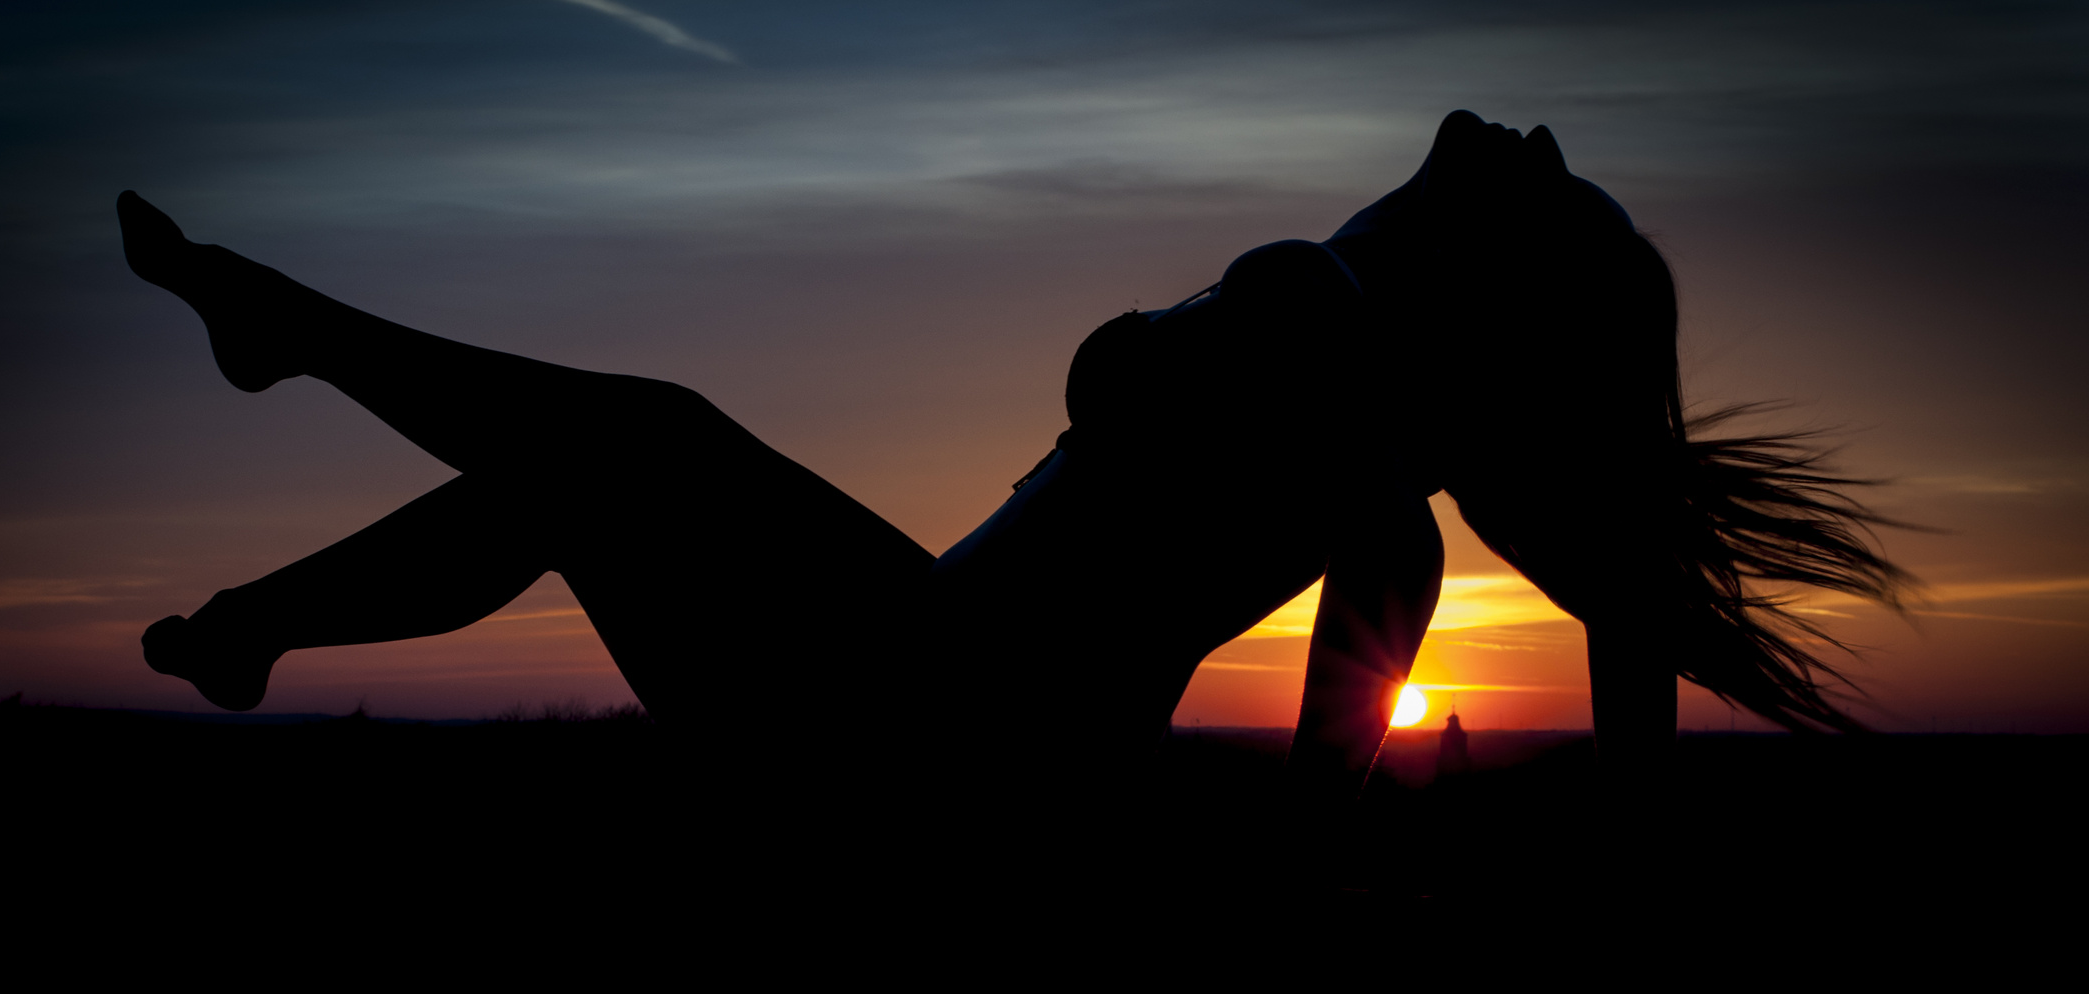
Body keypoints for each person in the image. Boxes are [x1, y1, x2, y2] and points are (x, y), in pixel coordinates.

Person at [123, 111, 1914, 787]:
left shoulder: (1317, 320)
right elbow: (1427, 553)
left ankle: (283, 369)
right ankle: (256, 615)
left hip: (928, 711)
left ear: (1488, 290)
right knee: (582, 474)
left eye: (1521, 176)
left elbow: (1396, 545)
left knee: (633, 447)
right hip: (917, 686)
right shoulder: (1327, 382)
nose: (1493, 126)